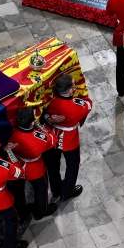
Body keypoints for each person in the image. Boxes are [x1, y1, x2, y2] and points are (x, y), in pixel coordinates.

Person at [43, 74, 92, 202]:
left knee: (53, 165)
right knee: (72, 165)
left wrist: (48, 117)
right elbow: (88, 104)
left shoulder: (50, 101)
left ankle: (56, 190)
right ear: (71, 90)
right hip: (70, 138)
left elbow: (41, 112)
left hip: (53, 135)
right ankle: (67, 192)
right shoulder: (76, 105)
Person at [7, 107, 58, 221]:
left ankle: (22, 214)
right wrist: (40, 126)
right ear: (32, 123)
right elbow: (52, 139)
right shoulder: (39, 138)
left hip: (18, 164)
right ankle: (41, 211)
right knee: (41, 189)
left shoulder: (12, 135)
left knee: (19, 193)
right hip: (35, 168)